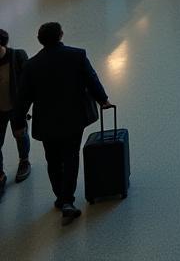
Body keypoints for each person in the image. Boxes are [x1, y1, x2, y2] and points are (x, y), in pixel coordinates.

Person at [15, 22, 113, 226]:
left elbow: (23, 97)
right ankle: (68, 200)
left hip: (46, 121)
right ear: (61, 35)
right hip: (73, 117)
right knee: (70, 156)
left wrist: (18, 121)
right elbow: (91, 79)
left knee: (52, 159)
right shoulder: (76, 55)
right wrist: (103, 100)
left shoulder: (32, 65)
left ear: (40, 40)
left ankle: (60, 196)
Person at [0, 29, 30, 198]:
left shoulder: (17, 57)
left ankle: (24, 161)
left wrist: (25, 106)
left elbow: (28, 82)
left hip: (16, 107)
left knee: (20, 134)